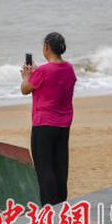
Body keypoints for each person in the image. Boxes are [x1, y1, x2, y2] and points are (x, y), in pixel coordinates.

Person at [20, 32, 77, 205]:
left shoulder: (44, 71)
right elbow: (54, 82)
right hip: (63, 124)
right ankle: (60, 203)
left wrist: (26, 76)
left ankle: (49, 206)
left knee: (44, 168)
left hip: (43, 124)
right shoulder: (69, 69)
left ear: (46, 47)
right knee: (60, 166)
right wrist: (36, 73)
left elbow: (25, 89)